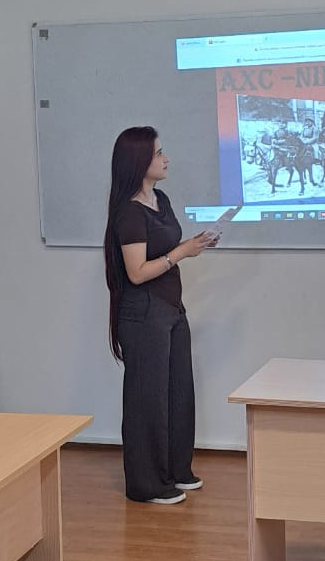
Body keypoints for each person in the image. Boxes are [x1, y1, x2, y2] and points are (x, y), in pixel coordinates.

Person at [103, 126, 215, 505]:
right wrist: (183, 252)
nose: (166, 159)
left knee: (178, 391)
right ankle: (148, 485)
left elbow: (166, 249)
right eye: (158, 154)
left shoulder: (160, 200)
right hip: (144, 314)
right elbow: (136, 273)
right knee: (148, 398)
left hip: (171, 308)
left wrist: (195, 243)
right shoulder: (129, 214)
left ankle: (176, 470)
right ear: (139, 162)